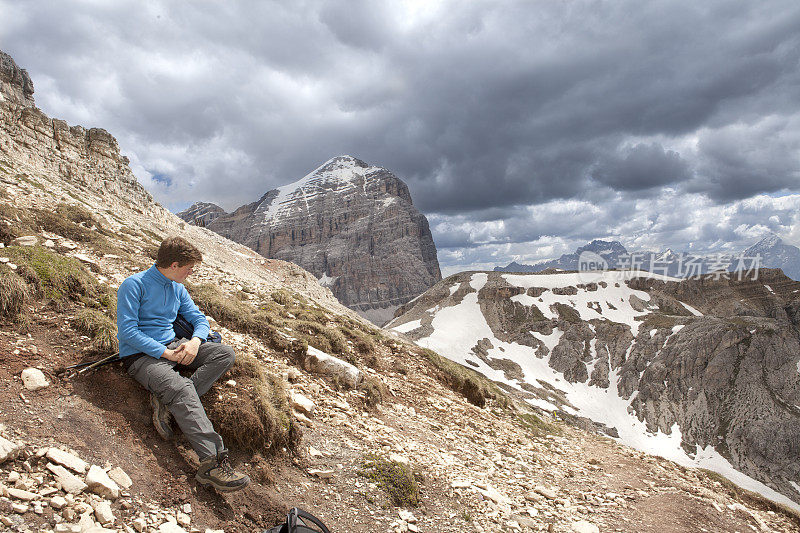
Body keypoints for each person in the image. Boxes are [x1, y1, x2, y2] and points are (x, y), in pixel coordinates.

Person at [116, 236, 250, 492]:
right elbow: (128, 333)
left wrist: (195, 343)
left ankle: (167, 403)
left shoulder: (177, 287)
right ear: (174, 264)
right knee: (183, 389)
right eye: (189, 268)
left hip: (175, 346)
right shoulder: (133, 285)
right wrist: (166, 355)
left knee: (224, 354)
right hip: (141, 357)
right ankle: (212, 465)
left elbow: (199, 319)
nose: (191, 272)